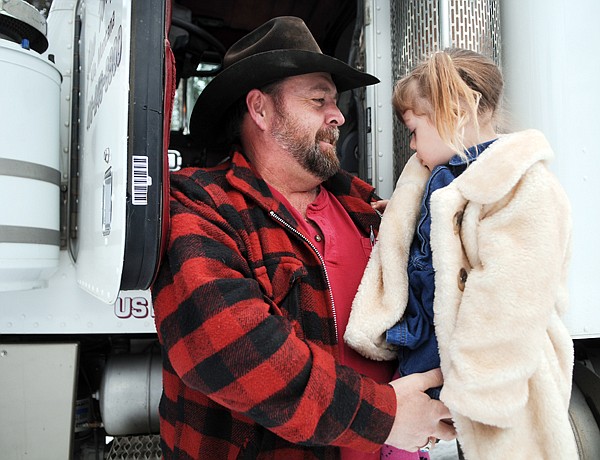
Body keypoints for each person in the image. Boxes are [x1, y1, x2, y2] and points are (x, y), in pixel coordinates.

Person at [151, 16, 455, 460]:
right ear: (260, 110)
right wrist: (385, 417)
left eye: (335, 102)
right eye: (319, 101)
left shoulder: (362, 204)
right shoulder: (199, 206)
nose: (339, 116)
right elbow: (240, 355)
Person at [344, 48, 578, 459]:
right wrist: (399, 213)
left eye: (414, 130)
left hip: (480, 371)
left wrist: (479, 388)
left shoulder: (523, 188)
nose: (412, 146)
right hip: (429, 353)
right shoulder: (436, 180)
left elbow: (512, 293)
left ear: (456, 112)